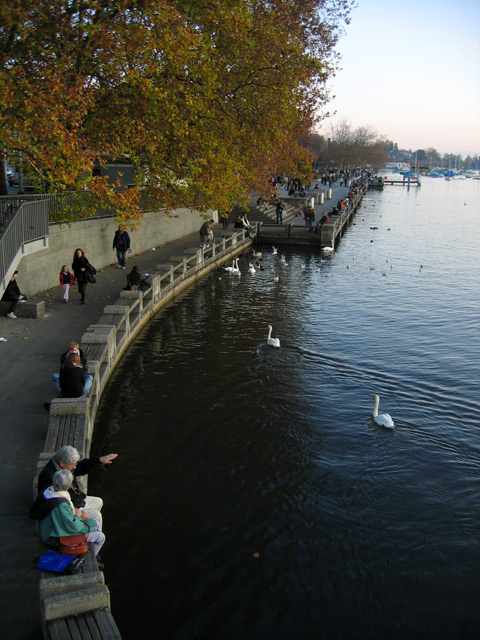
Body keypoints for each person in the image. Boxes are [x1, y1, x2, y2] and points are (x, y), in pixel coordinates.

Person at [37, 445, 118, 528]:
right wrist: (77, 514)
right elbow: (58, 505)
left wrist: (99, 460)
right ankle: (90, 532)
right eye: (73, 465)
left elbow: (80, 467)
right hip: (69, 508)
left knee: (98, 501)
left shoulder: (63, 466)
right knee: (96, 515)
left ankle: (87, 525)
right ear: (62, 463)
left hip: (75, 500)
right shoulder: (50, 478)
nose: (75, 467)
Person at [30, 469, 105, 556]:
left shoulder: (48, 491)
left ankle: (88, 551)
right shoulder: (61, 504)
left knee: (96, 524)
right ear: (67, 486)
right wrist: (79, 516)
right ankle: (91, 556)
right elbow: (71, 526)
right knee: (100, 537)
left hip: (50, 529)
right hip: (57, 535)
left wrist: (78, 515)